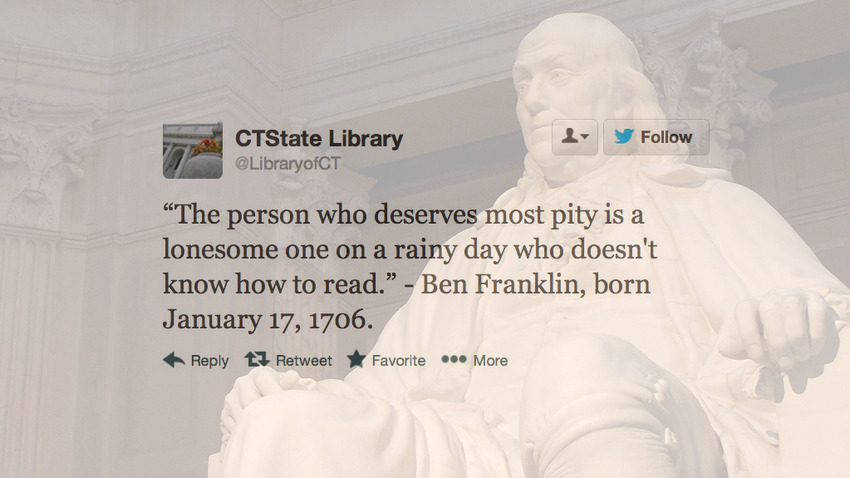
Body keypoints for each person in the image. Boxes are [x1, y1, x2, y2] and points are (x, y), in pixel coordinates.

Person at [216, 13, 849, 477]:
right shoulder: (474, 251)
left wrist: (796, 315)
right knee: (284, 424)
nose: (536, 100)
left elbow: (826, 313)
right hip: (486, 450)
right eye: (523, 86)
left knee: (579, 366)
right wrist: (290, 394)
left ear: (622, 92)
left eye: (558, 75)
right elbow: (382, 387)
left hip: (661, 429)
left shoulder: (700, 202)